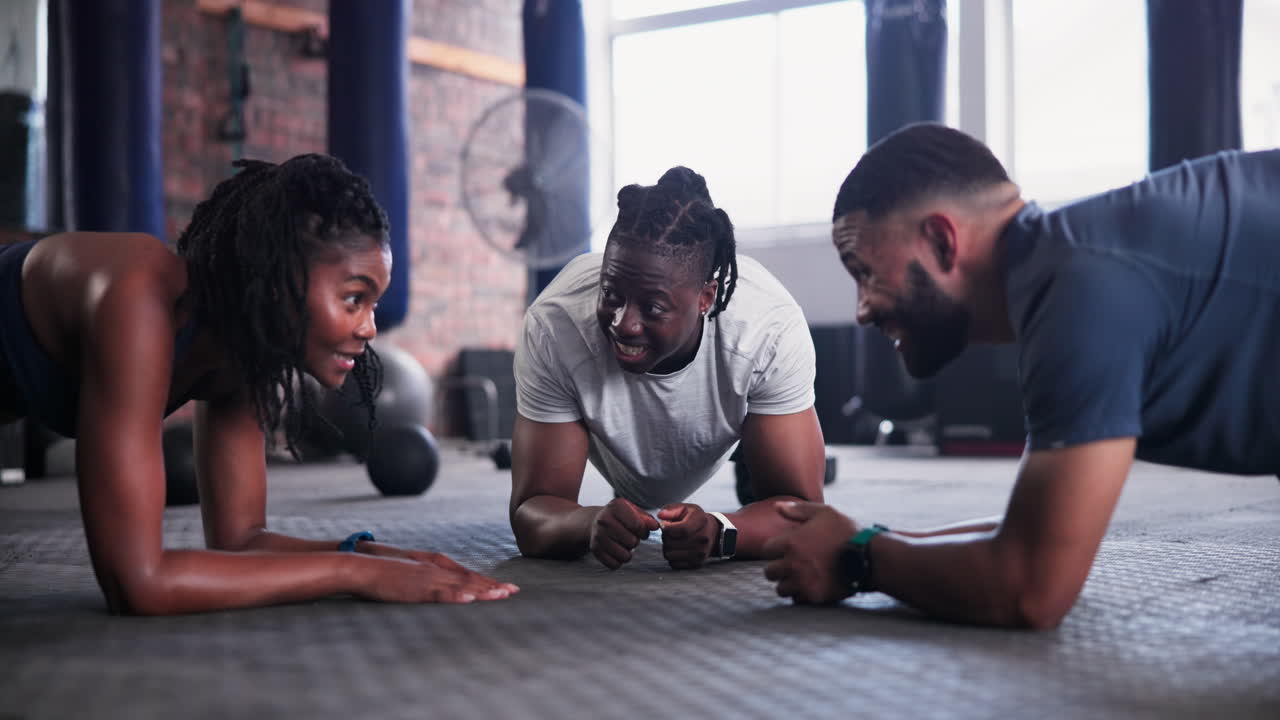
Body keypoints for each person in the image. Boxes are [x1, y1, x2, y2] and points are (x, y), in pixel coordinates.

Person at [763, 123, 1280, 628]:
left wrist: (857, 560)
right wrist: (862, 538)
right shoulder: (1063, 271)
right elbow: (1042, 531)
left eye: (865, 273)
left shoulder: (1080, 290)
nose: (862, 309)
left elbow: (1031, 586)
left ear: (942, 242)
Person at [0, 154, 517, 615]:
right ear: (278, 282)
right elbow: (137, 582)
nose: (370, 328)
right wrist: (358, 575)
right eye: (354, 298)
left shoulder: (245, 354)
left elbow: (239, 540)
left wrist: (367, 552)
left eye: (374, 304)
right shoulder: (138, 295)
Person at [509, 166, 827, 571]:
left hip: (727, 418)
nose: (623, 322)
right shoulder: (557, 325)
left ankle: (749, 458)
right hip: (610, 443)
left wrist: (721, 531)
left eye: (653, 307)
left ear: (705, 298)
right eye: (611, 294)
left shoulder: (767, 328)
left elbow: (804, 513)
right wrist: (586, 523)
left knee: (769, 483)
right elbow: (530, 513)